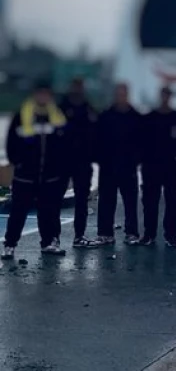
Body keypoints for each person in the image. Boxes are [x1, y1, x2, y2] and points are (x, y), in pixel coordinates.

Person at [2, 81, 69, 259]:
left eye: (46, 93)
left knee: (49, 211)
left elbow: (65, 145)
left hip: (49, 176)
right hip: (25, 176)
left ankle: (49, 242)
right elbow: (11, 142)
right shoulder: (21, 116)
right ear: (34, 94)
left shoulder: (57, 118)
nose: (43, 97)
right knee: (18, 212)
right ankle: (9, 245)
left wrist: (60, 167)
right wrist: (18, 162)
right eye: (40, 93)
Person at [94, 83, 143, 245]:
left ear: (127, 95)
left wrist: (136, 160)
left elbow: (142, 141)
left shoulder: (136, 117)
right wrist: (100, 158)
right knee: (106, 200)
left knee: (130, 201)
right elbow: (97, 139)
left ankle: (132, 232)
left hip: (128, 166)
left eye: (123, 94)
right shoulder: (106, 116)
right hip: (108, 165)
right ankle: (105, 232)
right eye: (119, 94)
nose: (121, 97)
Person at [140, 86, 176, 247]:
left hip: (172, 168)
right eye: (163, 95)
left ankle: (171, 235)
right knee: (150, 202)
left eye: (168, 95)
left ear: (170, 97)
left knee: (172, 202)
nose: (165, 98)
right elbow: (142, 142)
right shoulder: (149, 118)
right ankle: (149, 234)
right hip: (152, 167)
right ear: (160, 96)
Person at [59, 77, 99, 248]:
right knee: (54, 199)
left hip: (83, 162)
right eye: (75, 86)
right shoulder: (60, 108)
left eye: (80, 87)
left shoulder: (88, 108)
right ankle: (51, 238)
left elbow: (97, 132)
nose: (78, 90)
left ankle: (79, 236)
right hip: (63, 160)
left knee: (82, 200)